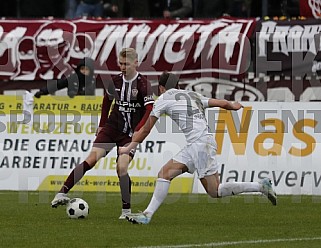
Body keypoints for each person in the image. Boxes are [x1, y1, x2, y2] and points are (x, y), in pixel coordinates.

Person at [119, 71, 277, 224]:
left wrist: (129, 147)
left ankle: (260, 186)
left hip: (200, 145)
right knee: (164, 173)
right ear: (178, 85)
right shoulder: (192, 95)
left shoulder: (162, 99)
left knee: (215, 191)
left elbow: (146, 129)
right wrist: (232, 105)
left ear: (161, 88)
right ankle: (147, 215)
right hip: (199, 143)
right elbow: (220, 103)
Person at [51, 48, 155, 220]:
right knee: (91, 159)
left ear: (136, 63)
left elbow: (150, 109)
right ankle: (62, 193)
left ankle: (126, 211)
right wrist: (101, 125)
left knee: (121, 167)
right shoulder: (114, 81)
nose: (122, 67)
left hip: (129, 135)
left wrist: (139, 130)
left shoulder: (144, 84)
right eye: (120, 63)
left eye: (126, 64)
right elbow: (107, 101)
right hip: (111, 128)